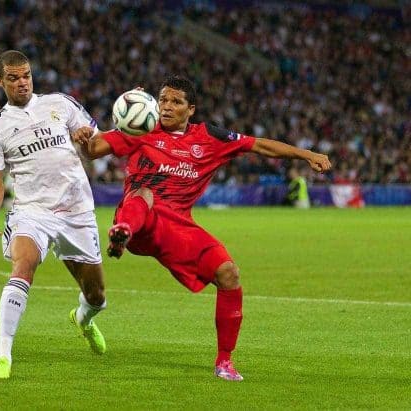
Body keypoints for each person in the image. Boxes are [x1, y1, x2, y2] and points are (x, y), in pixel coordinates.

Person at [73, 75, 332, 382]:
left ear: (191, 109)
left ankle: (225, 362)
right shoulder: (141, 128)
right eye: (163, 100)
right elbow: (93, 151)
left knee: (228, 274)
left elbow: (259, 145)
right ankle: (122, 232)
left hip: (180, 227)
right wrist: (84, 140)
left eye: (176, 101)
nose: (167, 107)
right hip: (140, 219)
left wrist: (308, 155)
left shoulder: (210, 137)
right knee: (144, 194)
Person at [0, 50, 108, 379]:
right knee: (23, 267)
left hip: (76, 209)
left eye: (26, 76)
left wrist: (84, 141)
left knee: (96, 295)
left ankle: (83, 318)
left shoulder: (61, 104)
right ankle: (2, 355)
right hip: (31, 210)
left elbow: (95, 148)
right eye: (13, 78)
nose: (22, 83)